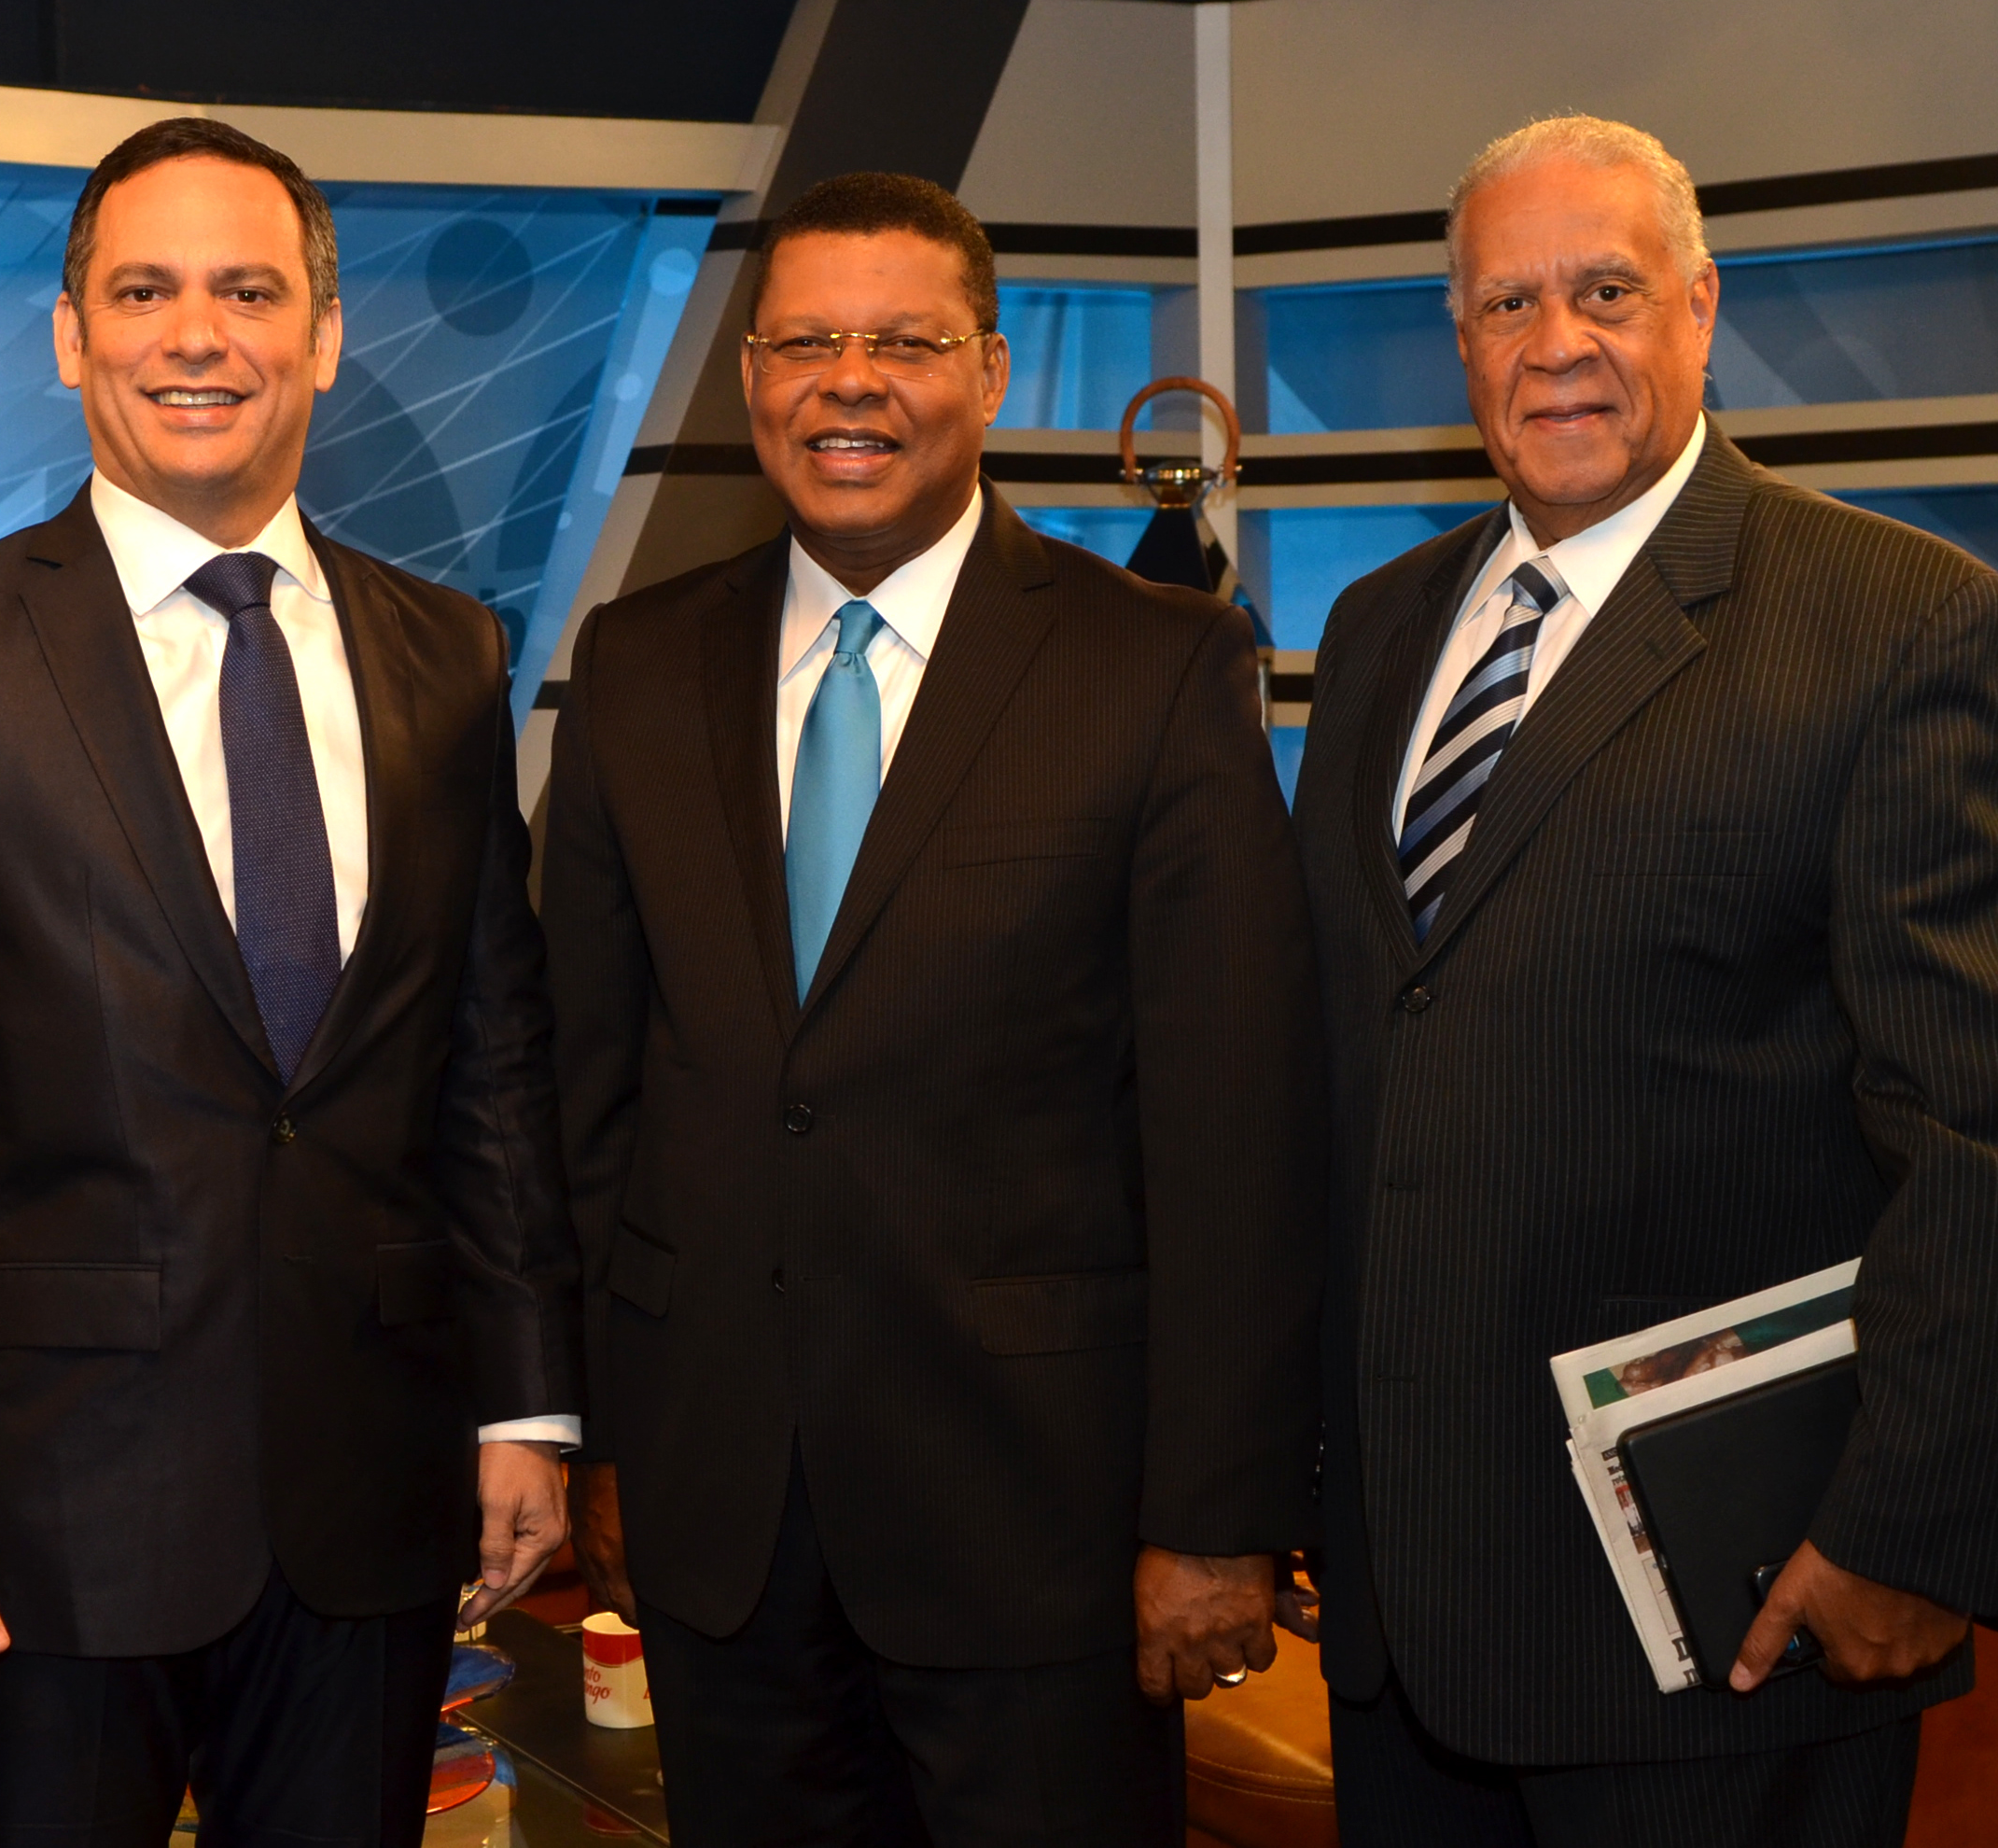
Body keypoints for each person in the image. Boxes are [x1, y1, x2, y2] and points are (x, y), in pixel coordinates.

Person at [0, 116, 578, 1845]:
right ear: (72, 337)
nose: (197, 337)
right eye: (143, 293)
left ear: (325, 336)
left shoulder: (450, 654)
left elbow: (491, 1060)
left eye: (248, 292)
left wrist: (527, 1399)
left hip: (375, 1507)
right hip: (42, 1523)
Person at [1292, 116, 1998, 1847]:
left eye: (1606, 291)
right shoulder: (1375, 631)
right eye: (1507, 304)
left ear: (1703, 306)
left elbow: (1994, 1132)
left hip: (1727, 1613)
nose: (1556, 345)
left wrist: (1907, 1527)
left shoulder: (1900, 622)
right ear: (1458, 338)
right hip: (1405, 1616)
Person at [543, 170, 1328, 1844]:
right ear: (750, 374)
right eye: (806, 342)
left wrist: (1216, 1512)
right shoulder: (633, 665)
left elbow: (1235, 1127)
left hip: (1040, 1525)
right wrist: (603, 1440)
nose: (851, 383)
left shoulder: (1157, 664)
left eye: (904, 342)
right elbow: (588, 1100)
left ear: (988, 371)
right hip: (720, 1521)